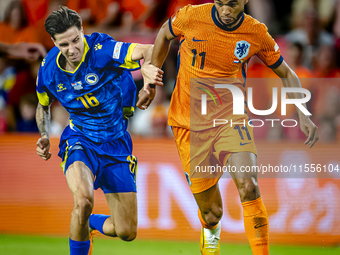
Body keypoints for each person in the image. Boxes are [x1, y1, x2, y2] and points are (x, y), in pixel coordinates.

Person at [138, 1, 319, 255]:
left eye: (232, 4)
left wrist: (303, 114)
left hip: (230, 119)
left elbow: (287, 73)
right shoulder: (191, 16)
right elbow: (164, 34)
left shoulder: (255, 32)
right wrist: (152, 81)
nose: (225, 10)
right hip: (189, 125)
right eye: (221, 3)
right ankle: (210, 233)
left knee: (249, 185)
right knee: (212, 213)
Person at [35, 6, 162, 255]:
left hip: (116, 143)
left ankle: (89, 225)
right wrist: (43, 134)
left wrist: (148, 77)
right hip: (80, 139)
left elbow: (147, 50)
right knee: (83, 201)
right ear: (53, 42)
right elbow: (42, 105)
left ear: (83, 30)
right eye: (63, 45)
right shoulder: (48, 70)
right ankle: (83, 221)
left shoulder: (102, 49)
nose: (72, 50)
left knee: (126, 231)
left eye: (75, 40)